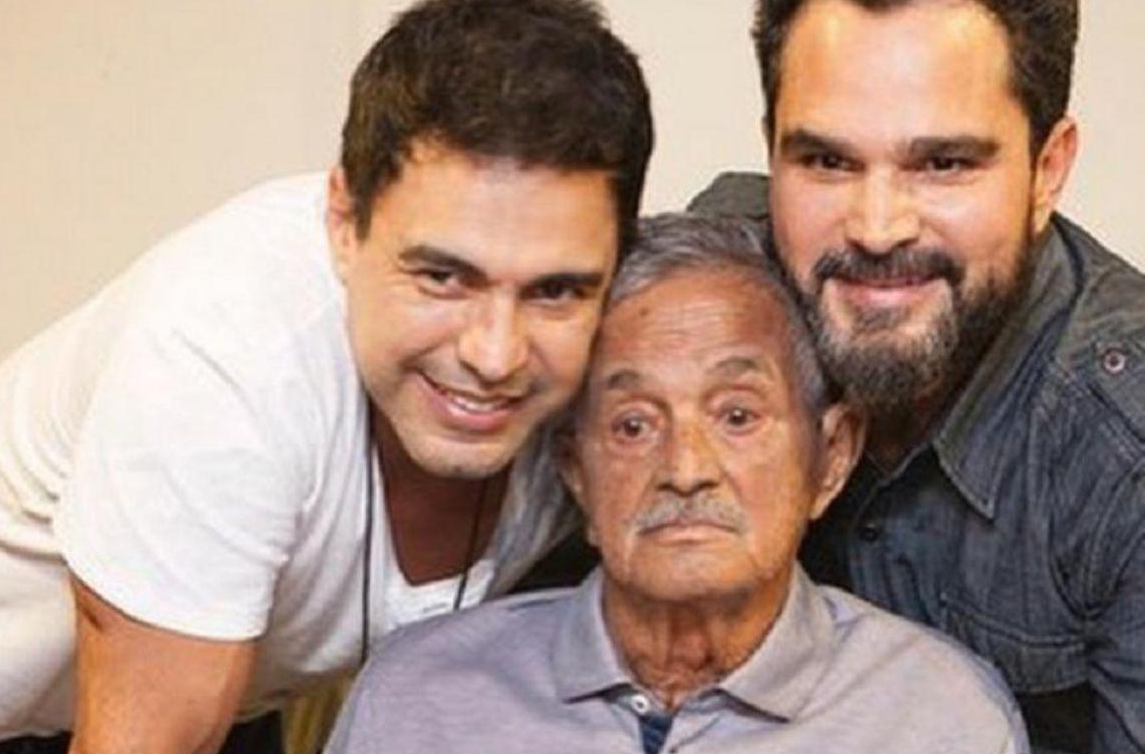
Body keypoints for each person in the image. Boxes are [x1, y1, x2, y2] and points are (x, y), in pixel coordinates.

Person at [0, 0, 652, 754]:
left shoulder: (632, 363)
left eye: (555, 290)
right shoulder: (226, 353)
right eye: (442, 277)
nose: (494, 354)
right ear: (343, 222)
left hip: (230, 691)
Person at [325, 213, 1028, 754]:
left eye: (737, 416)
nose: (686, 470)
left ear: (832, 456)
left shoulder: (940, 717)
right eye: (633, 425)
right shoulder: (420, 697)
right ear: (576, 470)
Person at [687, 0, 1145, 750]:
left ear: (1047, 170)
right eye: (827, 161)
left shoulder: (1122, 451)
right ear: (772, 152)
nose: (876, 228)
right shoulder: (706, 299)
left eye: (943, 164)